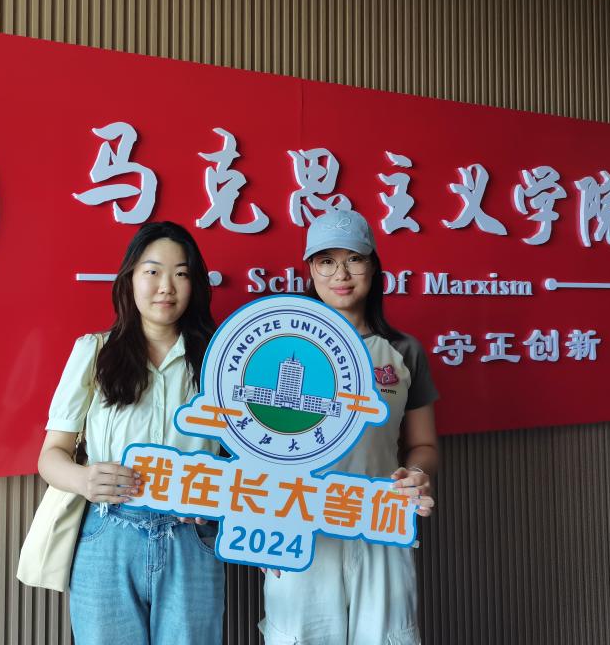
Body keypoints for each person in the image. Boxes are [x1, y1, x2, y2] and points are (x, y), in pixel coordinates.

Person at [37, 221, 224, 645]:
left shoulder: (221, 360)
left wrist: (221, 502)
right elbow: (51, 455)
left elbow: (246, 454)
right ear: (130, 278)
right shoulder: (94, 351)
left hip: (192, 536)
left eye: (181, 273)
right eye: (152, 271)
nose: (166, 287)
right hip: (107, 533)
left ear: (195, 284)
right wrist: (84, 479)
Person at [260, 208, 439, 645]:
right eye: (326, 261)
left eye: (354, 259)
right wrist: (259, 526)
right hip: (299, 524)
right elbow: (253, 446)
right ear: (310, 270)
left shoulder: (403, 350)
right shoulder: (278, 346)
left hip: (380, 521)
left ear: (374, 267)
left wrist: (417, 474)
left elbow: (424, 445)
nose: (341, 274)